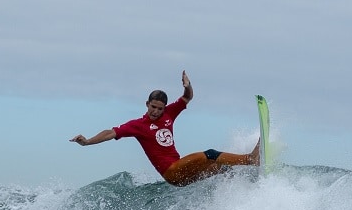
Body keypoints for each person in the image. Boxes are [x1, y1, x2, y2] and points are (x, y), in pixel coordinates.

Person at [70, 71, 259, 186]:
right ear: (147, 104)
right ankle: (250, 160)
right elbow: (110, 133)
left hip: (184, 176)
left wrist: (187, 86)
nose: (155, 111)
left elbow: (187, 97)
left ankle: (249, 180)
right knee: (209, 153)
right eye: (153, 107)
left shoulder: (169, 114)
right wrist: (87, 142)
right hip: (171, 172)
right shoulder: (138, 125)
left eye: (159, 109)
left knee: (222, 170)